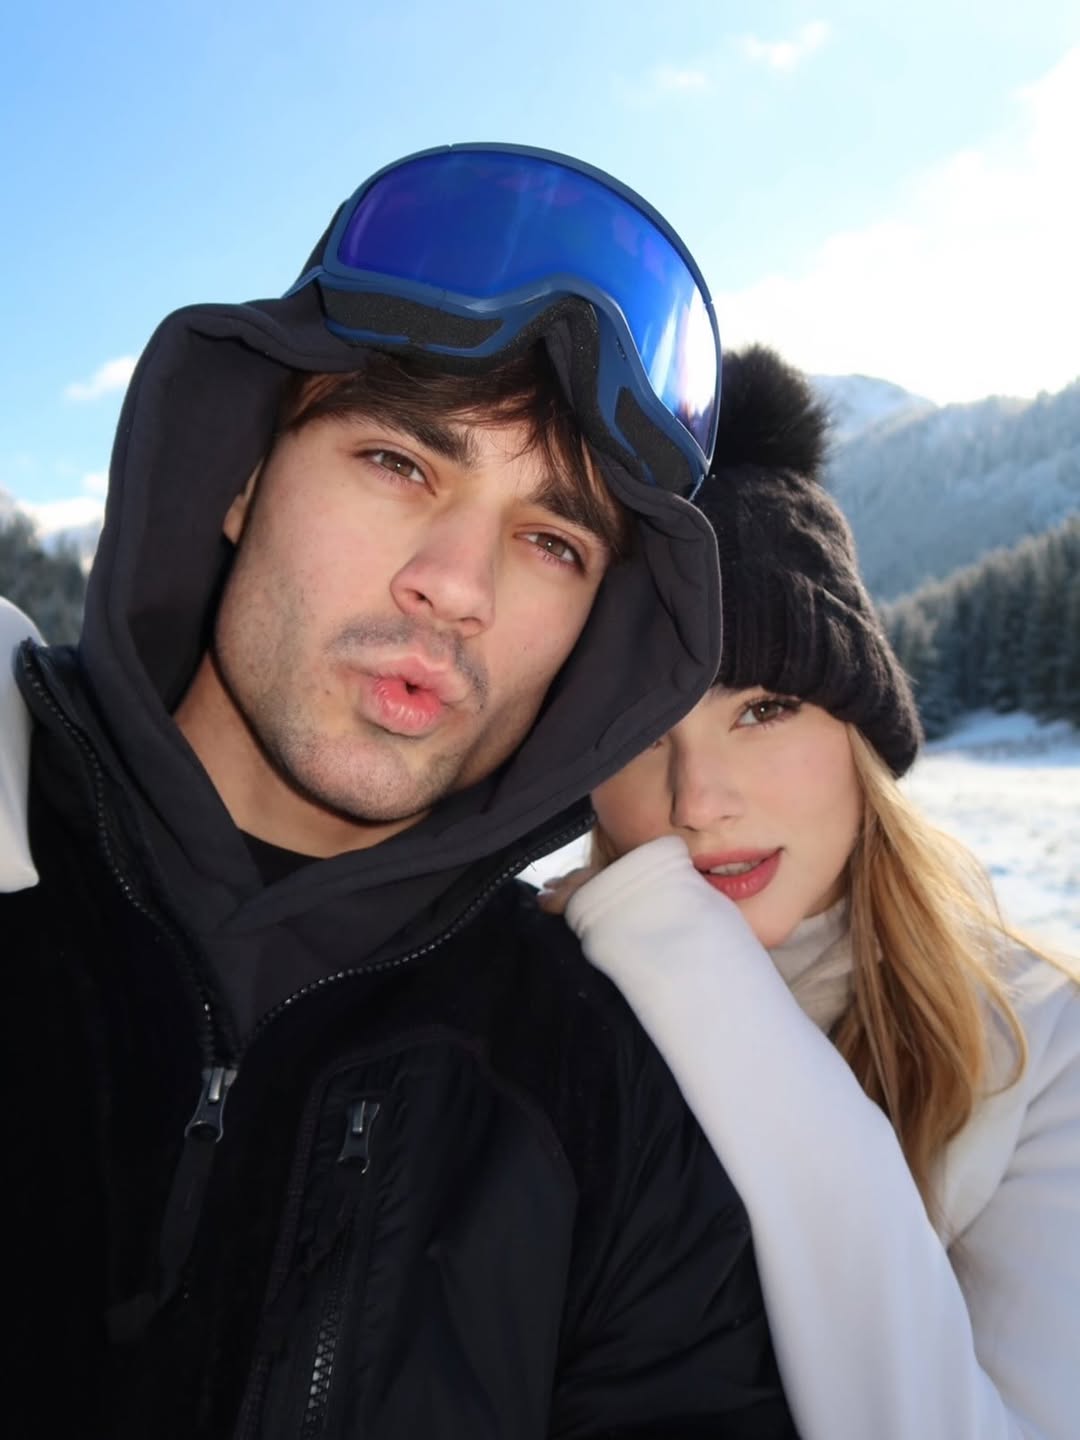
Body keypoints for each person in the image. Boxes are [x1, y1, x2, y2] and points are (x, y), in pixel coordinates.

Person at [2, 148, 800, 1438]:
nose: (458, 585)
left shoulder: (607, 1107)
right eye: (397, 463)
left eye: (552, 541)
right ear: (244, 475)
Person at [540, 345, 1080, 1440]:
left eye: (763, 710)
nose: (700, 800)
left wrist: (688, 966)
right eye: (641, 732)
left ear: (857, 732)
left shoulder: (1036, 1042)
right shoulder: (518, 1000)